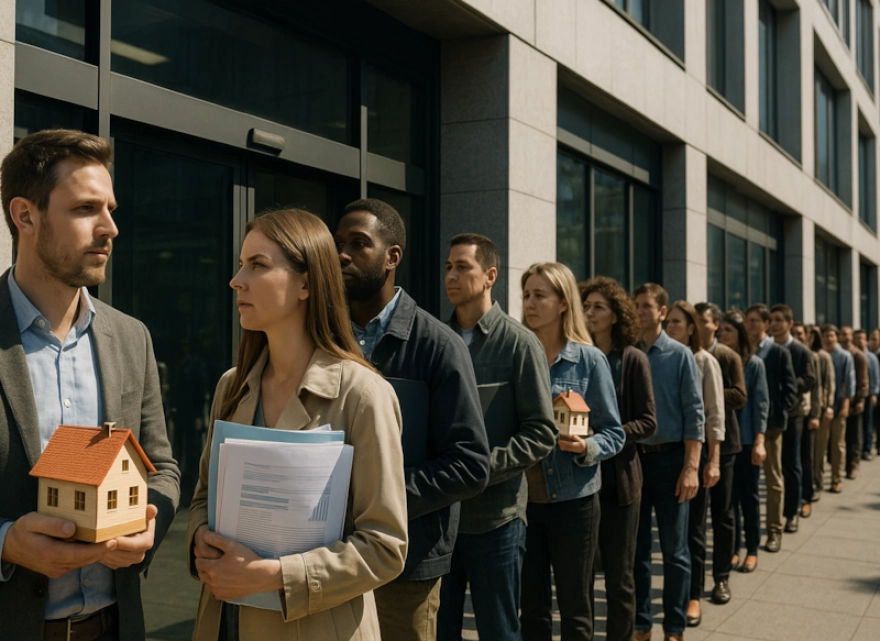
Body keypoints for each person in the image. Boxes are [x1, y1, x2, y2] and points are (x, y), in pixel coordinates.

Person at [186, 209, 408, 641]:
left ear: (306, 284)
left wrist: (276, 576)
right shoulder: (232, 386)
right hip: (224, 623)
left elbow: (385, 546)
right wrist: (200, 540)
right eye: (241, 264)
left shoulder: (363, 395)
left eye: (258, 265)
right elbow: (202, 499)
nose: (236, 281)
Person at [0, 129, 181, 640]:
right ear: (25, 216)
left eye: (110, 209)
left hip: (115, 626)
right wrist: (7, 542)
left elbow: (162, 468)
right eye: (85, 209)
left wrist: (148, 524)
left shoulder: (131, 338)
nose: (110, 228)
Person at [334, 199, 490, 641]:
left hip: (405, 566)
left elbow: (470, 464)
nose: (342, 254)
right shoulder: (324, 337)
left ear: (392, 257)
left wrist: (376, 497)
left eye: (358, 244)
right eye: (338, 243)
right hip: (330, 556)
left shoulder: (439, 346)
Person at [438, 234, 557, 641]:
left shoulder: (519, 343)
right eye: (448, 267)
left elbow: (541, 432)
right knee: (438, 630)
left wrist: (479, 468)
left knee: (499, 631)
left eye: (462, 267)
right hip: (440, 518)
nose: (451, 276)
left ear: (490, 276)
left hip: (496, 520)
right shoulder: (437, 340)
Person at [518, 264, 624, 641]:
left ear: (563, 303)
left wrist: (586, 447)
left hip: (575, 502)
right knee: (531, 609)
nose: (530, 303)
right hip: (522, 503)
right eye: (526, 295)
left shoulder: (589, 360)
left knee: (576, 607)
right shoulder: (517, 355)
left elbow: (614, 432)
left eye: (539, 295)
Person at [582, 277, 657, 641]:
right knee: (581, 577)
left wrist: (607, 436)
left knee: (619, 576)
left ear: (616, 315)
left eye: (598, 307)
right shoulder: (578, 355)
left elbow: (648, 421)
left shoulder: (632, 358)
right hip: (582, 481)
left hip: (620, 482)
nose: (589, 313)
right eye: (586, 306)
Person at [632, 283, 705, 641]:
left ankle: (674, 628)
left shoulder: (680, 355)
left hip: (672, 461)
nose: (640, 311)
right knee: (637, 551)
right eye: (636, 305)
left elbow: (695, 414)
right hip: (635, 461)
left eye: (646, 306)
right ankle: (641, 624)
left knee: (675, 551)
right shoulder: (628, 353)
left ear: (662, 312)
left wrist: (692, 468)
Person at [665, 301, 724, 628]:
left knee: (694, 531)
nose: (671, 326)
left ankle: (694, 595)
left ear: (692, 328)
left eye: (678, 322)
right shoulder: (661, 356)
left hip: (695, 456)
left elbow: (714, 414)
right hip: (665, 457)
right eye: (669, 321)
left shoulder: (704, 361)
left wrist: (712, 461)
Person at [693, 302, 746, 608]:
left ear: (715, 325)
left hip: (724, 447)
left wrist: (708, 390)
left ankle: (721, 577)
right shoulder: (687, 354)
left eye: (704, 320)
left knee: (722, 513)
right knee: (696, 520)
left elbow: (740, 395)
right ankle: (694, 585)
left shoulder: (726, 355)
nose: (698, 325)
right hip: (693, 444)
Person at [744, 304, 797, 553]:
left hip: (771, 426)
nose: (751, 325)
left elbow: (790, 390)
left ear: (766, 324)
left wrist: (778, 415)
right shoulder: (743, 350)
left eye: (756, 321)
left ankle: (774, 530)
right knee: (748, 483)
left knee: (773, 478)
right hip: (746, 426)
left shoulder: (778, 352)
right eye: (748, 320)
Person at [719, 310, 768, 574]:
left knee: (749, 497)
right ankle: (733, 548)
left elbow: (761, 404)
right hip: (725, 440)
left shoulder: (754, 363)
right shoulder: (718, 360)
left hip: (747, 439)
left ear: (740, 333)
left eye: (728, 330)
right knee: (729, 501)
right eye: (721, 330)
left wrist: (760, 441)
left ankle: (752, 549)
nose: (723, 334)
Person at [768, 305, 816, 535]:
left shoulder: (800, 350)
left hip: (793, 414)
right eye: (771, 320)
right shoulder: (766, 348)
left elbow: (810, 379)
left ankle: (791, 513)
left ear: (789, 323)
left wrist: (787, 385)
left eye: (779, 320)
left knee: (791, 464)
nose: (774, 324)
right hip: (769, 415)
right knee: (772, 468)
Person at [798, 324, 833, 518]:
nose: (797, 337)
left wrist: (815, 414)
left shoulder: (813, 357)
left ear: (807, 336)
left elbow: (819, 386)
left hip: (808, 414)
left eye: (800, 333)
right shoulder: (787, 352)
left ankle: (808, 495)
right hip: (790, 416)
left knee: (808, 457)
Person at [815, 325, 855, 494]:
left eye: (831, 335)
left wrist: (846, 404)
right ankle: (817, 480)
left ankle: (836, 479)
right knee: (819, 446)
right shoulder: (818, 355)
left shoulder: (844, 356)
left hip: (838, 407)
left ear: (836, 337)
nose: (828, 339)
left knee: (837, 445)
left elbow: (849, 381)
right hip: (822, 408)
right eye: (825, 336)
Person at [838, 326, 868, 480]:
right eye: (842, 334)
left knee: (853, 435)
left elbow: (863, 380)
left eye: (847, 334)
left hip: (854, 401)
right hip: (839, 401)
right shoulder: (836, 352)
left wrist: (860, 400)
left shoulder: (858, 355)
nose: (845, 337)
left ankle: (853, 465)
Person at [853, 330, 879, 463]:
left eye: (862, 338)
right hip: (855, 395)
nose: (860, 341)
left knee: (868, 422)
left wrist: (874, 393)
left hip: (868, 394)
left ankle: (866, 449)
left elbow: (875, 377)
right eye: (857, 338)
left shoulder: (871, 357)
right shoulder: (852, 355)